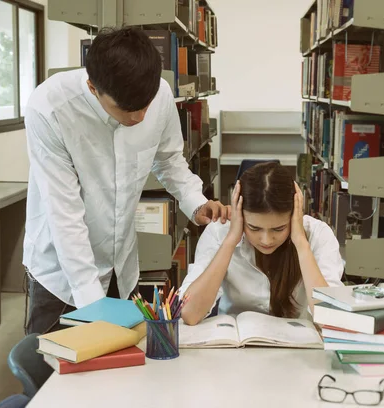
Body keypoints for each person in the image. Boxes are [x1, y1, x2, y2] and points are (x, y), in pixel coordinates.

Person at [23, 26, 230, 335]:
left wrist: (194, 202)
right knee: (51, 374)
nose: (140, 118)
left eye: (145, 105)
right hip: (61, 277)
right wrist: (95, 308)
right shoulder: (50, 108)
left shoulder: (158, 92)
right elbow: (64, 214)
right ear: (93, 87)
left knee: (118, 375)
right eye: (127, 110)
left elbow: (169, 160)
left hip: (121, 267)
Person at [180, 162, 344, 326]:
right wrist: (230, 241)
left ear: (295, 214)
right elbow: (190, 314)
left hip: (299, 347)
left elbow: (331, 319)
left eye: (279, 229)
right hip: (236, 347)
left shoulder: (318, 234)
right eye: (254, 228)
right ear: (240, 214)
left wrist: (301, 243)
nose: (266, 240)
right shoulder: (218, 233)